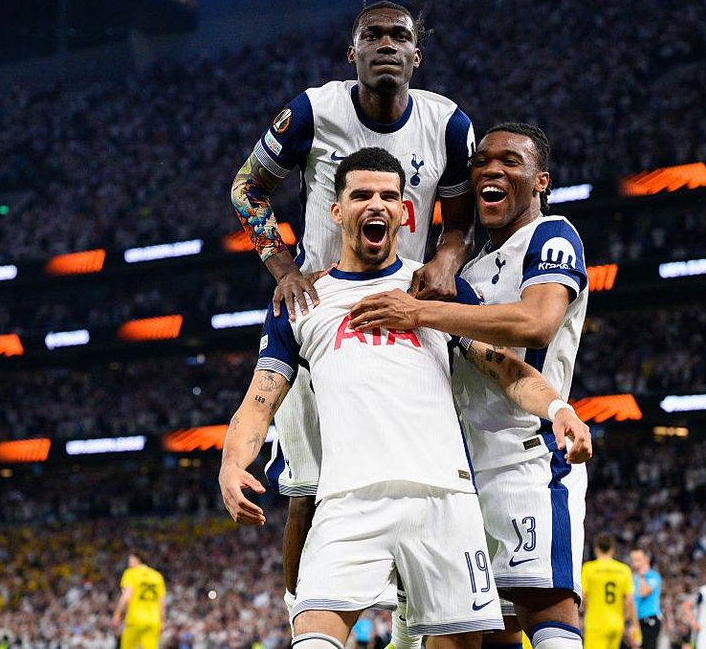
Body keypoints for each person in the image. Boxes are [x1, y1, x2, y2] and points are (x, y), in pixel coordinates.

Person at [218, 148, 591, 649]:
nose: (376, 204)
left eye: (389, 196)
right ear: (336, 210)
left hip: (447, 502)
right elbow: (259, 403)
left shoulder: (435, 291)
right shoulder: (302, 300)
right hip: (348, 499)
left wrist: (558, 408)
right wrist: (232, 462)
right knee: (311, 637)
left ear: (404, 212)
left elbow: (506, 369)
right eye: (361, 195)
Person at [228, 1, 476, 630]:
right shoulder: (316, 110)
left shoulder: (448, 124)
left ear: (417, 55)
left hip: (411, 315)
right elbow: (246, 187)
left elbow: (463, 211)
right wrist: (285, 270)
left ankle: (416, 626)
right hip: (322, 311)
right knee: (308, 487)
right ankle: (301, 619)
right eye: (373, 35)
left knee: (427, 481)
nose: (386, 45)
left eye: (400, 36)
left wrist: (447, 259)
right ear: (353, 52)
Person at [348, 122, 591, 649]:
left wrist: (424, 311)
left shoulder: (551, 235)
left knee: (545, 605)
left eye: (510, 161)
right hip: (463, 469)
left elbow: (537, 323)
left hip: (526, 455)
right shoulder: (474, 271)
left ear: (541, 181)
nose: (491, 169)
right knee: (490, 627)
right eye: (481, 161)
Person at [581, 535, 639, 649]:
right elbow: (629, 600)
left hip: (596, 623)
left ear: (596, 549)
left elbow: (584, 596)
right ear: (613, 549)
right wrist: (634, 623)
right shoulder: (624, 569)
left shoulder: (589, 568)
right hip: (616, 624)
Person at [113, 552, 167, 649]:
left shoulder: (131, 573)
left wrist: (117, 614)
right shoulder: (157, 576)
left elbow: (126, 596)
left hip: (135, 619)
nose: (129, 563)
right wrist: (162, 621)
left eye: (130, 560)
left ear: (137, 560)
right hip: (154, 620)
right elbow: (161, 602)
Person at [630, 548, 662, 649]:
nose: (635, 563)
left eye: (638, 559)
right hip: (636, 621)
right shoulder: (633, 578)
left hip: (649, 620)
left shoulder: (653, 576)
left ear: (646, 560)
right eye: (633, 560)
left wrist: (642, 576)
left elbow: (643, 592)